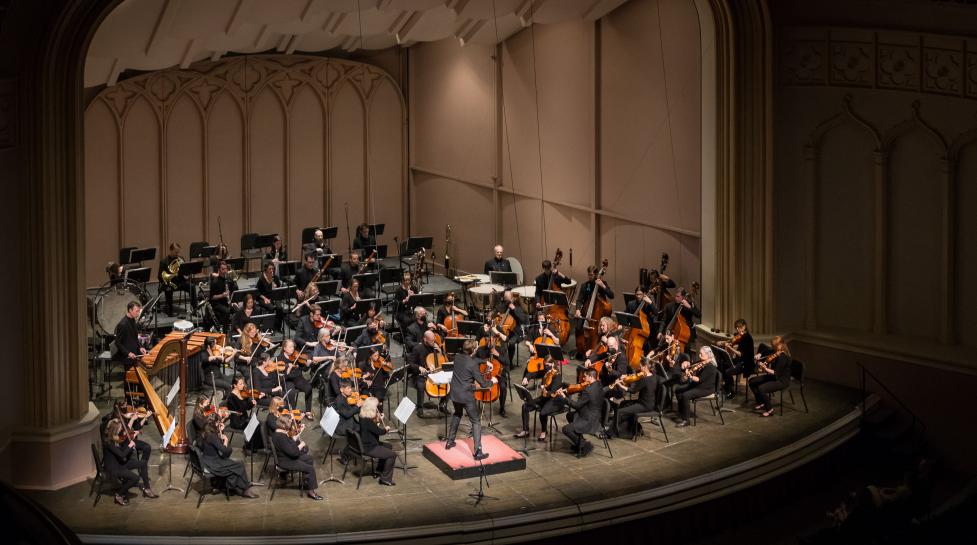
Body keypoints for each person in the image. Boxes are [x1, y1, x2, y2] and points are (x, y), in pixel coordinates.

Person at [444, 339, 497, 460]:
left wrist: (484, 361)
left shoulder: (457, 357)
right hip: (466, 396)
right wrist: (492, 382)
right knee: (476, 421)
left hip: (454, 393)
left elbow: (473, 360)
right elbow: (483, 384)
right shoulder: (472, 365)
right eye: (477, 347)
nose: (478, 348)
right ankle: (478, 451)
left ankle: (450, 442)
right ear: (473, 350)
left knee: (457, 414)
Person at [199, 414, 259, 498]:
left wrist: (221, 432)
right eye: (219, 422)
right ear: (216, 423)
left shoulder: (205, 431)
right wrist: (226, 441)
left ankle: (230, 487)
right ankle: (245, 490)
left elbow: (214, 444)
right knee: (240, 465)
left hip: (207, 460)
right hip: (214, 463)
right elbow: (225, 452)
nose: (220, 424)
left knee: (233, 467)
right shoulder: (212, 436)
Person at [101, 419, 158, 506]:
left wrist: (130, 441)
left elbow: (122, 452)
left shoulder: (114, 438)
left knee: (143, 463)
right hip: (114, 467)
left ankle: (147, 489)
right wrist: (130, 445)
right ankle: (119, 495)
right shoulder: (108, 442)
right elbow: (122, 455)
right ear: (115, 430)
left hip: (120, 462)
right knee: (135, 478)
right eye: (120, 429)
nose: (121, 430)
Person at [271, 414, 323, 500]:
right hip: (286, 461)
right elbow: (294, 453)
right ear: (284, 424)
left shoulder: (278, 432)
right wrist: (301, 445)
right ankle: (311, 492)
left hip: (286, 457)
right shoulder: (281, 437)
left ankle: (307, 481)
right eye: (290, 423)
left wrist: (295, 437)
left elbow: (287, 445)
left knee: (309, 458)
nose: (291, 425)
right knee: (310, 469)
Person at [514, 355, 566, 442]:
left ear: (553, 364)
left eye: (547, 365)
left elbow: (553, 392)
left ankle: (544, 431)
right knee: (525, 406)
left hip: (554, 400)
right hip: (544, 398)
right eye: (544, 365)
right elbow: (533, 373)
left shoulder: (557, 376)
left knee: (543, 412)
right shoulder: (546, 372)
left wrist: (544, 389)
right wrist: (527, 377)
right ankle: (525, 430)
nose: (545, 367)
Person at [556, 367, 604, 458]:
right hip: (596, 415)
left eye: (585, 377)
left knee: (566, 429)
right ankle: (579, 443)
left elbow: (577, 406)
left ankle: (585, 445)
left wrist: (563, 397)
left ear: (590, 377)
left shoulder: (588, 390)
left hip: (589, 419)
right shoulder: (598, 384)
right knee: (570, 415)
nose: (583, 378)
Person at [673, 345, 720, 427]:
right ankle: (683, 411)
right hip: (699, 385)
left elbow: (699, 379)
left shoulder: (710, 366)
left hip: (705, 388)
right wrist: (687, 364)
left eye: (701, 354)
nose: (699, 356)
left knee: (686, 395)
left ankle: (686, 420)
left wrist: (690, 376)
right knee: (678, 390)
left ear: (708, 355)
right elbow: (691, 365)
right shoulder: (702, 362)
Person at [612, 358, 659, 438]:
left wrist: (621, 385)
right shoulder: (653, 375)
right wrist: (629, 376)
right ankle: (635, 428)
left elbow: (633, 391)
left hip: (644, 405)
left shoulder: (644, 379)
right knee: (624, 403)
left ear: (645, 367)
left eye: (640, 366)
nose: (639, 368)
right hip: (649, 402)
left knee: (619, 411)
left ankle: (615, 432)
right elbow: (637, 377)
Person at [358, 397, 397, 486]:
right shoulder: (368, 421)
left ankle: (379, 470)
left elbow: (372, 428)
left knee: (388, 446)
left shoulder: (362, 416)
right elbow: (379, 432)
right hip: (370, 447)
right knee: (392, 455)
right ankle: (385, 479)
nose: (377, 409)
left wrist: (377, 420)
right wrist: (386, 429)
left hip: (365, 443)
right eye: (376, 407)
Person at [749, 336, 791, 417]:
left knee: (761, 388)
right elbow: (767, 350)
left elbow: (776, 373)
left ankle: (769, 409)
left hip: (781, 380)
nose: (773, 348)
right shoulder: (776, 351)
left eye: (774, 346)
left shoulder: (783, 357)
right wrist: (760, 354)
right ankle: (761, 402)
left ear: (781, 344)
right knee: (752, 381)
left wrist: (765, 368)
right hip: (774, 377)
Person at [720, 319, 755, 398]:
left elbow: (740, 354)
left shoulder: (747, 338)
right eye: (736, 327)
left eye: (739, 327)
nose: (737, 329)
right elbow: (733, 341)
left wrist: (730, 347)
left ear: (744, 327)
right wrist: (723, 342)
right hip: (740, 360)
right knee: (723, 364)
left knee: (727, 371)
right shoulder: (741, 336)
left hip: (746, 363)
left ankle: (731, 391)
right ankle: (728, 385)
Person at [158, 242, 196, 317]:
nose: (177, 254)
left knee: (192, 286)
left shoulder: (181, 259)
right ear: (171, 250)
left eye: (178, 252)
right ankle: (170, 311)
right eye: (176, 252)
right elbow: (160, 276)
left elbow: (185, 271)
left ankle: (194, 309)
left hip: (180, 282)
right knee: (169, 289)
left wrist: (187, 275)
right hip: (169, 283)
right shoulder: (164, 262)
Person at [657, 287, 701, 351]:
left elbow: (698, 315)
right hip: (672, 333)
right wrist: (660, 331)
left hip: (684, 335)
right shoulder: (669, 306)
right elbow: (664, 320)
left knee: (686, 351)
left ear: (683, 297)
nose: (676, 298)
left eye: (678, 296)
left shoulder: (688, 306)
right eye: (675, 296)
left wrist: (689, 306)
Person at [280, 339, 314, 419]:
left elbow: (304, 369)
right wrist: (287, 371)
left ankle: (308, 411)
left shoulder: (296, 356)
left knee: (309, 388)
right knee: (291, 393)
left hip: (298, 378)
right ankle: (293, 413)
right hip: (288, 380)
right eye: (290, 347)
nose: (292, 349)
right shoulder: (280, 358)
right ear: (284, 348)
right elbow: (280, 376)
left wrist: (307, 365)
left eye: (293, 347)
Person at [113, 301, 145, 371]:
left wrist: (140, 347)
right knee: (129, 377)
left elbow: (134, 337)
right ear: (130, 310)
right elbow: (117, 342)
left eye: (139, 311)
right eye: (137, 311)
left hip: (135, 352)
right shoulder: (123, 324)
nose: (138, 313)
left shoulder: (132, 319)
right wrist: (128, 353)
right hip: (128, 356)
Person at [255, 262, 285, 330]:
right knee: (271, 307)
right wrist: (265, 298)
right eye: (270, 269)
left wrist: (276, 287)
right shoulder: (262, 279)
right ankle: (269, 326)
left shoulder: (275, 277)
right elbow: (257, 292)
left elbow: (279, 289)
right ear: (266, 270)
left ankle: (278, 326)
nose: (272, 270)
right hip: (263, 298)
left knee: (279, 308)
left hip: (274, 297)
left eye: (272, 269)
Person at [208, 259, 233, 332]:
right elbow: (212, 297)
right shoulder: (215, 282)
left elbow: (234, 292)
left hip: (227, 302)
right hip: (217, 304)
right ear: (219, 270)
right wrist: (222, 295)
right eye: (223, 269)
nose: (225, 271)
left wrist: (234, 301)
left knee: (237, 310)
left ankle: (235, 330)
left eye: (226, 269)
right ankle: (225, 332)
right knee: (227, 311)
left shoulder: (229, 280)